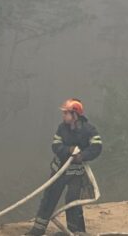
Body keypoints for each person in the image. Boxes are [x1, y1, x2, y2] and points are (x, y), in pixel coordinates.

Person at [27, 99, 103, 236]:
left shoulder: (89, 130)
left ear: (75, 115)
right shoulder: (62, 128)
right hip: (59, 172)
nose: (63, 116)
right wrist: (69, 150)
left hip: (76, 174)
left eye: (66, 113)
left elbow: (97, 147)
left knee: (73, 201)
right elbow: (55, 146)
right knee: (49, 198)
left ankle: (76, 231)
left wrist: (83, 155)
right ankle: (38, 230)